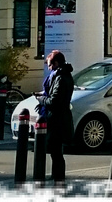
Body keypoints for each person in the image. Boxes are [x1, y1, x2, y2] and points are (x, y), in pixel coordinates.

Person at [42, 50, 74, 183]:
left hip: (58, 119)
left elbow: (54, 100)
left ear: (56, 63)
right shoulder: (62, 75)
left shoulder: (61, 77)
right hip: (59, 118)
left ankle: (59, 177)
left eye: (50, 65)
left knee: (56, 151)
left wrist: (41, 100)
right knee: (56, 151)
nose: (49, 68)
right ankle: (57, 176)